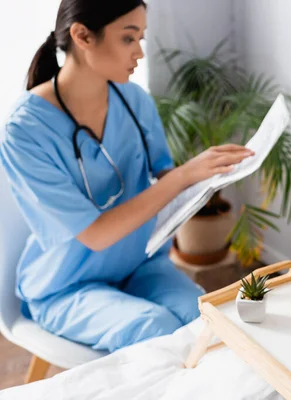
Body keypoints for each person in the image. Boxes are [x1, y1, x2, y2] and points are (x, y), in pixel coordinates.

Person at [0, 0, 254, 352]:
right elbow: (97, 234)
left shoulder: (135, 101)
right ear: (82, 36)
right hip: (67, 285)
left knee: (209, 322)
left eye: (141, 40)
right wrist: (180, 177)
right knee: (155, 329)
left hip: (140, 266)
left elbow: (168, 177)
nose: (139, 53)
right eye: (128, 39)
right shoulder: (25, 131)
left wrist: (211, 175)